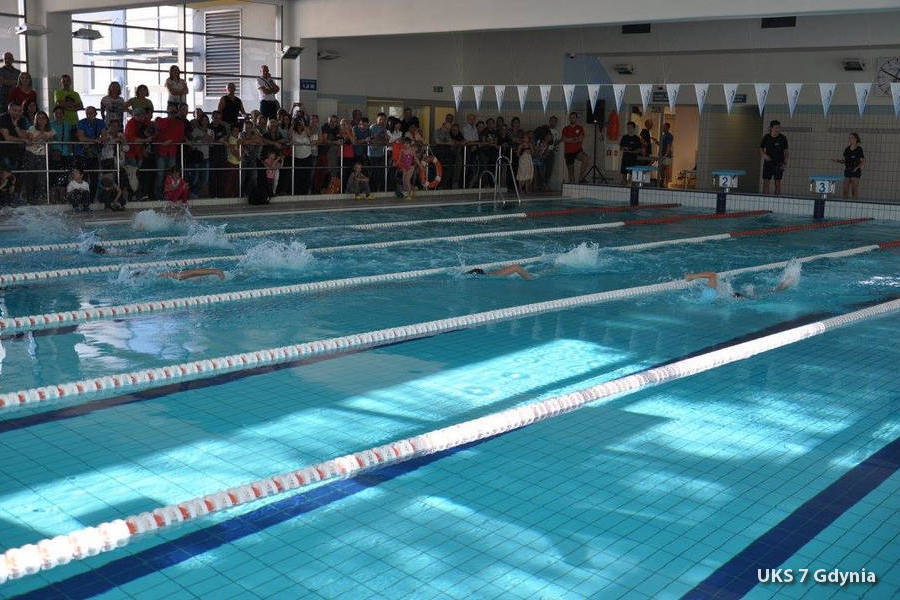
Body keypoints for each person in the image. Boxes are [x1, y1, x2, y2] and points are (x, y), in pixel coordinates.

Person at [685, 266, 797, 300]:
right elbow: (712, 274)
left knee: (764, 294)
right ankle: (786, 283)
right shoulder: (709, 292)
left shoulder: (707, 295)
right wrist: (692, 277)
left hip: (733, 297)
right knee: (766, 294)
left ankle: (785, 284)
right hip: (735, 297)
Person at [154, 105, 185, 199]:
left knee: (171, 175)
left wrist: (171, 141)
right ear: (167, 111)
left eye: (174, 112)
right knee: (160, 174)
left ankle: (170, 194)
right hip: (161, 151)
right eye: (170, 112)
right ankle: (158, 195)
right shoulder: (161, 121)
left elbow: (180, 137)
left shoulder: (180, 123)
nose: (172, 114)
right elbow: (157, 134)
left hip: (172, 152)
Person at [24, 110, 54, 204]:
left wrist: (48, 139)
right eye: (39, 118)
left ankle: (40, 197)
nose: (41, 120)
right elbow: (29, 141)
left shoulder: (50, 129)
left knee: (42, 177)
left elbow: (52, 141)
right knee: (30, 176)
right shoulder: (32, 128)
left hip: (43, 155)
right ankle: (29, 198)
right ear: (36, 120)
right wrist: (40, 136)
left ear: (46, 119)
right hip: (31, 154)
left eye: (43, 118)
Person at [49, 105, 73, 204]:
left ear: (63, 114)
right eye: (56, 113)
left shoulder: (67, 125)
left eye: (60, 113)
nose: (58, 115)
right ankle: (53, 197)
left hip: (65, 153)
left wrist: (70, 152)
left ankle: (62, 196)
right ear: (53, 114)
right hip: (54, 153)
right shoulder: (50, 125)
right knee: (53, 175)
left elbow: (70, 138)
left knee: (64, 175)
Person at [760, 119, 788, 195]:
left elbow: (786, 151)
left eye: (779, 128)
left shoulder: (782, 138)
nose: (778, 129)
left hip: (779, 163)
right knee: (766, 181)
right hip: (768, 163)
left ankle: (777, 198)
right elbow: (761, 148)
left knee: (777, 182)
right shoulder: (766, 137)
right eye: (776, 128)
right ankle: (765, 198)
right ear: (771, 128)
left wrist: (785, 163)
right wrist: (764, 155)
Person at [832, 132, 864, 199]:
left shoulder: (859, 149)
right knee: (845, 190)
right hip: (847, 170)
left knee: (854, 190)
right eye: (849, 138)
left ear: (856, 139)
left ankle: (854, 203)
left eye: (851, 138)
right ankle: (845, 202)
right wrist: (837, 160)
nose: (850, 139)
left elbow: (862, 161)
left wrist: (857, 168)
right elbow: (844, 161)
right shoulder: (847, 149)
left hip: (855, 171)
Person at [188, 111, 213, 197]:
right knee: (195, 177)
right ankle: (190, 192)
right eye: (203, 120)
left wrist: (209, 139)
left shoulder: (210, 131)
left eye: (206, 120)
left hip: (206, 157)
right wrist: (200, 137)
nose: (205, 122)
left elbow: (211, 144)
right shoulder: (196, 130)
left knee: (205, 179)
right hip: (197, 156)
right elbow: (191, 141)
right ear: (200, 121)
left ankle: (194, 193)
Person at [0, 101, 28, 175]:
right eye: (14, 110)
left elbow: (24, 136)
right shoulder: (2, 118)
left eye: (19, 111)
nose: (17, 113)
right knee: (7, 175)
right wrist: (23, 140)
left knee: (17, 175)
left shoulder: (22, 119)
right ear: (9, 110)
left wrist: (16, 126)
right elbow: (7, 138)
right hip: (3, 152)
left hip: (17, 152)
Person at [562, 111, 589, 183]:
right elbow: (564, 139)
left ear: (576, 118)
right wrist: (575, 139)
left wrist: (570, 139)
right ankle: (572, 183)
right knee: (571, 172)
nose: (572, 119)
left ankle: (581, 177)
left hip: (577, 151)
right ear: (569, 119)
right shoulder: (565, 128)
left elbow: (581, 138)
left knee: (585, 158)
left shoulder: (580, 128)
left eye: (573, 117)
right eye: (571, 118)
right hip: (568, 152)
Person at [367, 112, 389, 191]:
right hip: (372, 154)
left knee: (380, 173)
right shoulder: (373, 127)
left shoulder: (384, 129)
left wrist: (380, 141)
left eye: (384, 120)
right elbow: (371, 140)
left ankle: (378, 189)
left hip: (381, 154)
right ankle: (372, 190)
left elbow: (386, 141)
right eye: (380, 119)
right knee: (374, 173)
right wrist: (380, 141)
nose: (382, 121)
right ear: (377, 119)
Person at [225, 122, 241, 197]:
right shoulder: (232, 138)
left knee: (234, 181)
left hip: (236, 163)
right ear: (231, 131)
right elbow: (233, 150)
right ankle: (228, 195)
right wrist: (239, 157)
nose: (236, 132)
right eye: (234, 130)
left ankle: (232, 195)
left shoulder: (236, 138)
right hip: (232, 163)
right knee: (230, 181)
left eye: (237, 130)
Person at [658, 122, 674, 188]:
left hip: (666, 155)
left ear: (667, 128)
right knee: (662, 169)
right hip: (662, 154)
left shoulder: (669, 136)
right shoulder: (663, 135)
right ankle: (662, 182)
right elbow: (662, 145)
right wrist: (657, 142)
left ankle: (666, 184)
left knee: (666, 169)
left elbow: (668, 146)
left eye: (664, 127)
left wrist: (666, 154)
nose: (662, 128)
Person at [466, 265, 532, 280]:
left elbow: (517, 268)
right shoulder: (494, 275)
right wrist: (529, 279)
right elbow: (516, 267)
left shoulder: (493, 275)